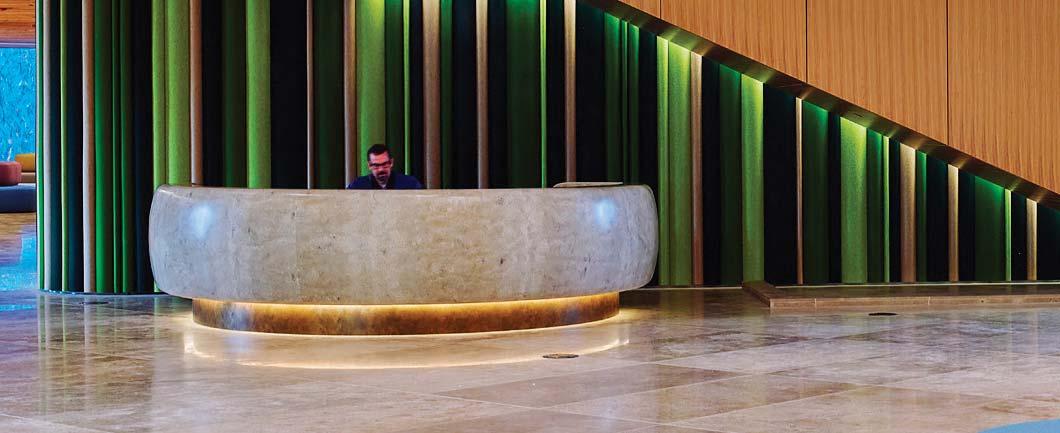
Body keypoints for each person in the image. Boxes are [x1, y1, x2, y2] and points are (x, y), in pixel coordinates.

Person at [347, 144, 424, 190]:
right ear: (369, 166)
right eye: (376, 165)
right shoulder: (357, 186)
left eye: (384, 164)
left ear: (391, 163)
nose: (381, 169)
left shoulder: (410, 184)